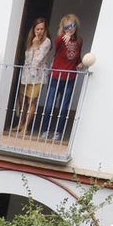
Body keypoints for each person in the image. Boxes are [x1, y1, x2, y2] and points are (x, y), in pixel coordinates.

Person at [40, 13, 83, 141]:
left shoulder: (79, 41)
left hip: (70, 78)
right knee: (49, 106)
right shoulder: (61, 39)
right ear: (63, 29)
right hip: (56, 77)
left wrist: (80, 63)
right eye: (67, 27)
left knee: (64, 108)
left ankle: (58, 132)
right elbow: (56, 44)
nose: (70, 28)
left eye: (72, 25)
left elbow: (77, 57)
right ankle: (45, 130)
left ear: (76, 25)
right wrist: (64, 37)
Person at [17, 18, 51, 134]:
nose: (39, 31)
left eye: (42, 29)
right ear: (34, 29)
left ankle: (26, 127)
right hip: (26, 75)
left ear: (45, 29)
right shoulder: (30, 40)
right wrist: (33, 44)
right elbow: (27, 59)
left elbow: (37, 61)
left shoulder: (46, 42)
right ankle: (20, 124)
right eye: (37, 29)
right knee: (22, 100)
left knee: (31, 101)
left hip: (37, 76)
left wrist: (36, 46)